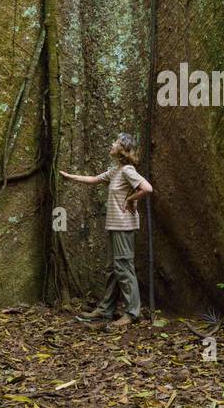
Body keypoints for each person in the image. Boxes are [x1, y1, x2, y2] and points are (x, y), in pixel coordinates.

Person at [59, 133, 154, 328]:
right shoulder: (115, 171)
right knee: (112, 268)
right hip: (114, 226)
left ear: (123, 149)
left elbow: (147, 188)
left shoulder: (128, 170)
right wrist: (70, 177)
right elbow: (93, 179)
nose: (112, 144)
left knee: (124, 267)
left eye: (116, 142)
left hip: (123, 225)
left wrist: (130, 200)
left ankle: (132, 312)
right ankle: (106, 309)